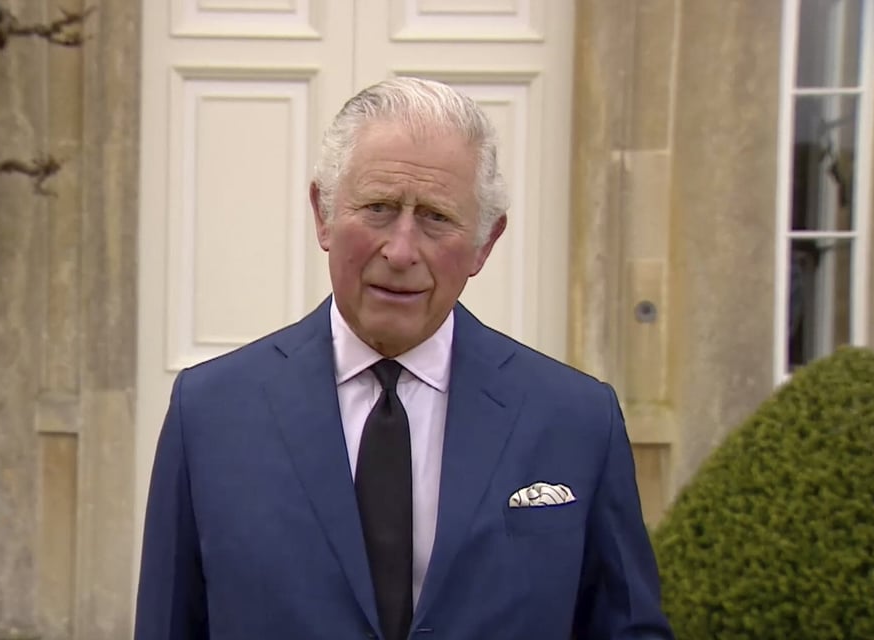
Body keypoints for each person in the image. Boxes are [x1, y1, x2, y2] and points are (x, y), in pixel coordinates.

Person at [135, 77, 674, 640]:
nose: (400, 250)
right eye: (378, 208)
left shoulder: (576, 420)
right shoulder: (210, 415)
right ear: (323, 214)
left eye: (437, 217)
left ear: (486, 243)